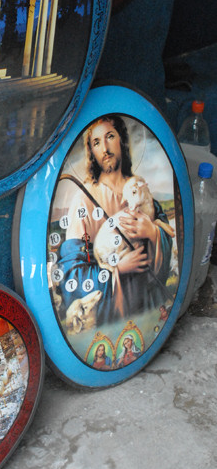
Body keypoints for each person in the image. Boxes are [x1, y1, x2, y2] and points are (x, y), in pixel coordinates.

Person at [57, 115, 173, 326]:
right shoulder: (84, 200)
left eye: (110, 136)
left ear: (122, 140)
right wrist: (117, 269)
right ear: (91, 151)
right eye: (96, 142)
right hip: (116, 311)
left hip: (148, 303)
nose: (105, 148)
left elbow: (166, 248)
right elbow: (71, 271)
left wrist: (153, 233)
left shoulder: (140, 189)